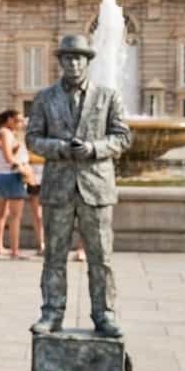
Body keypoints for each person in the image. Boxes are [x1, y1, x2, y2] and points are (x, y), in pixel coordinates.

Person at [27, 34, 132, 338]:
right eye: (68, 57)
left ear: (88, 61)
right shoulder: (45, 98)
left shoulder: (108, 96)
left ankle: (104, 313)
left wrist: (94, 148)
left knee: (101, 258)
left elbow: (123, 136)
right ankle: (51, 312)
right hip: (58, 189)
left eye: (79, 57)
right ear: (60, 61)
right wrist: (60, 148)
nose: (73, 63)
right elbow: (32, 138)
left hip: (96, 188)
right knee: (54, 257)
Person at [0, 109, 28, 259]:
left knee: (1, 214)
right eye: (18, 120)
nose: (20, 124)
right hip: (12, 176)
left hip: (1, 175)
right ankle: (15, 250)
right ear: (9, 119)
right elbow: (8, 157)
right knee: (15, 216)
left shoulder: (0, 133)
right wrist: (23, 169)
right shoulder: (6, 133)